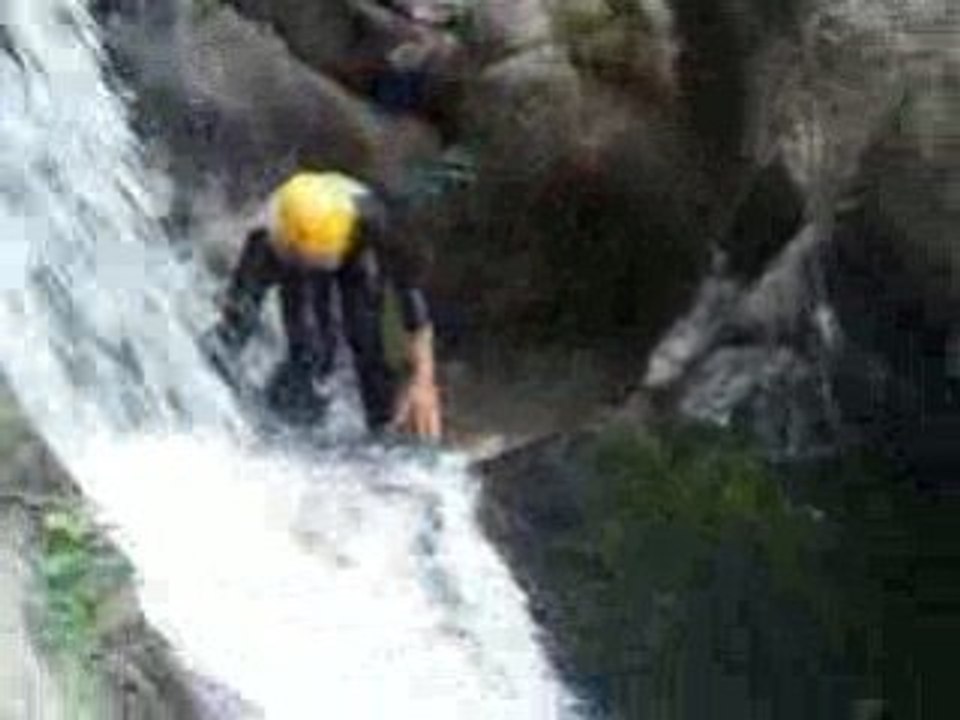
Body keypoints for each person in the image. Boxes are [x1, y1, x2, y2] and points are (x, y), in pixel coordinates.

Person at [201, 170, 442, 439]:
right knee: (306, 349)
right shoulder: (265, 239)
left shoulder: (373, 221)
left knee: (365, 335)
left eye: (316, 264)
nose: (311, 272)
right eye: (303, 262)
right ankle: (282, 416)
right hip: (292, 244)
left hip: (349, 245)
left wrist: (424, 379)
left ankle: (383, 425)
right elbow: (234, 322)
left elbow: (410, 297)